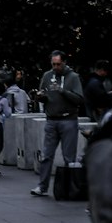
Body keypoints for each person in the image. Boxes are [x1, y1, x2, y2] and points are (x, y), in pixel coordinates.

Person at [33, 50, 85, 198]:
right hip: (51, 120)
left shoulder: (73, 77)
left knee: (69, 157)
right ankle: (42, 186)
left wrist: (62, 91)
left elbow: (79, 99)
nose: (55, 67)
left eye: (58, 64)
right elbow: (42, 93)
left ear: (64, 63)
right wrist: (40, 96)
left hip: (68, 119)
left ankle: (70, 188)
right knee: (46, 155)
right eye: (53, 64)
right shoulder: (47, 76)